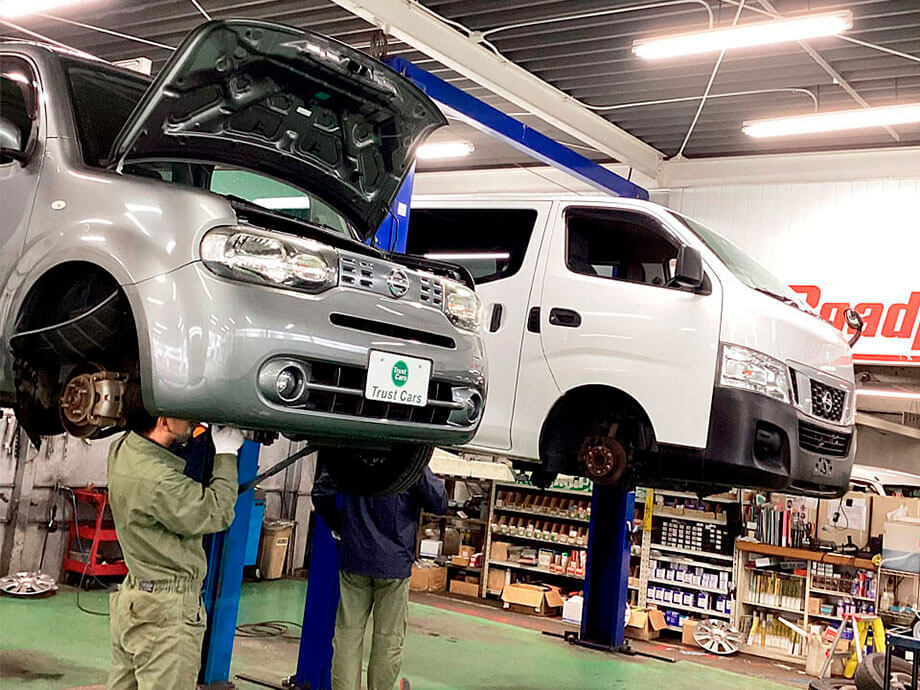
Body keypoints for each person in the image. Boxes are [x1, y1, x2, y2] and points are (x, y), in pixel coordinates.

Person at [106, 416, 244, 690]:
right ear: (164, 420)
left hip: (135, 597)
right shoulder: (159, 482)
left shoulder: (122, 450)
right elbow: (218, 511)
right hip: (167, 611)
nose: (193, 422)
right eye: (186, 416)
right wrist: (226, 454)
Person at [312, 465, 447, 690]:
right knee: (388, 640)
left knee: (347, 636)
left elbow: (321, 492)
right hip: (394, 564)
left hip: (355, 558)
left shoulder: (352, 453)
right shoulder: (410, 457)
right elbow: (439, 502)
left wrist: (340, 525)